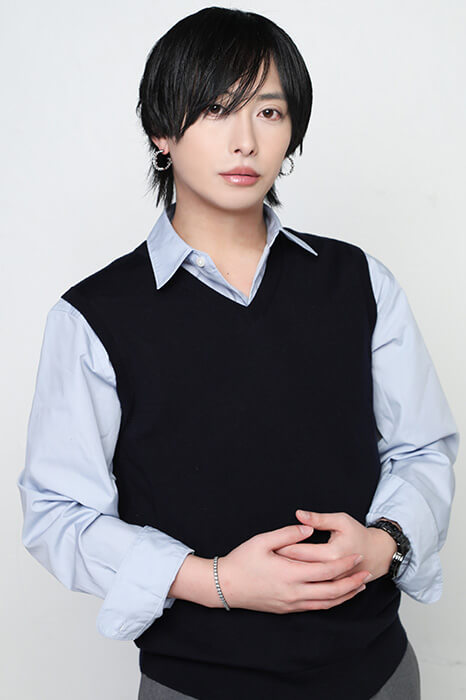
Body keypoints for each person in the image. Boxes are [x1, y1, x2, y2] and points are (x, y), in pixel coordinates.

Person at [17, 7, 459, 700]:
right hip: (197, 684)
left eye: (269, 112)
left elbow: (424, 449)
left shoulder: (359, 281)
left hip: (377, 674)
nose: (246, 140)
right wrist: (217, 581)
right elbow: (57, 512)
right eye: (216, 110)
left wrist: (385, 543)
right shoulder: (94, 316)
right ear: (162, 132)